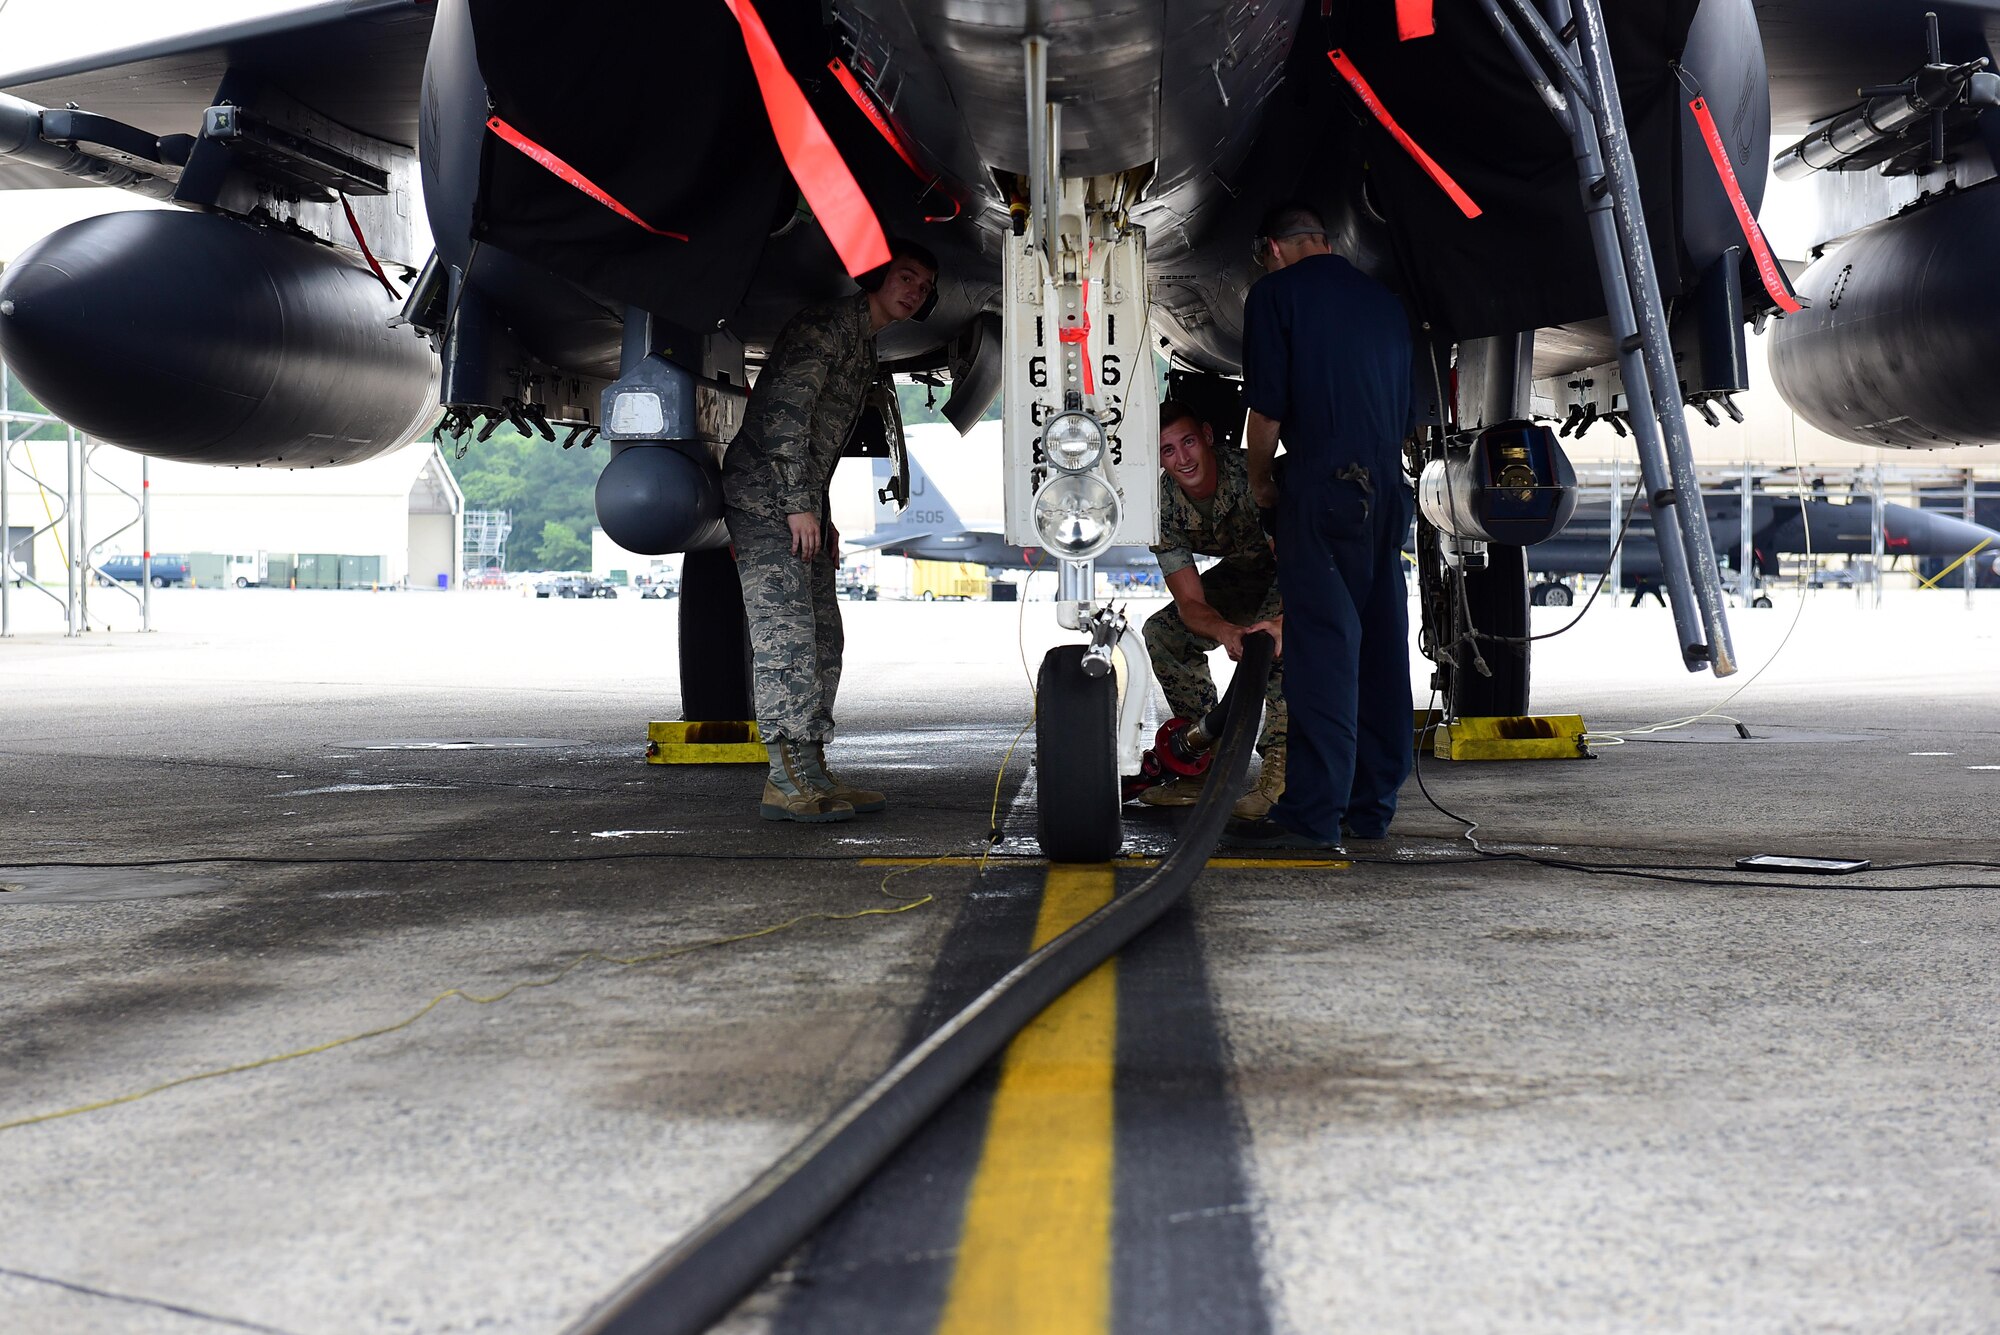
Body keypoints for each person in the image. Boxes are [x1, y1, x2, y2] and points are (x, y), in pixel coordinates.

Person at [721, 239, 938, 823]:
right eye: (906, 277)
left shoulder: (861, 343)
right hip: (766, 496)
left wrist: (823, 511)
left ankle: (811, 769)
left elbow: (822, 442)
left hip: (797, 499)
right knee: (786, 638)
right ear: (879, 278)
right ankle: (784, 779)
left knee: (822, 635)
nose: (913, 291)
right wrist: (797, 503)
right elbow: (783, 418)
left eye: (922, 286)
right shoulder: (827, 327)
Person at [1225, 202, 1416, 851]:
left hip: (1322, 486)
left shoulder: (1275, 295)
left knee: (1322, 650)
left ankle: (1312, 812)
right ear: (1325, 240)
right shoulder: (1386, 303)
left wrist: (1258, 478)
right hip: (1387, 489)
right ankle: (1372, 805)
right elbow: (1409, 413)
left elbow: (1268, 410)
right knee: (1382, 644)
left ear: (1272, 248)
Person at [1140, 400, 1289, 818]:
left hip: (1292, 567)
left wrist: (1280, 621)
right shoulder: (1162, 506)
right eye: (1168, 450)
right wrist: (1225, 631)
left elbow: (1298, 561)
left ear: (1207, 436)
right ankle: (1203, 763)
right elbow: (1190, 602)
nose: (1183, 459)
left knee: (1273, 644)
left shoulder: (1249, 475)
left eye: (1188, 442)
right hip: (1244, 573)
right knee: (1163, 632)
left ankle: (1279, 774)